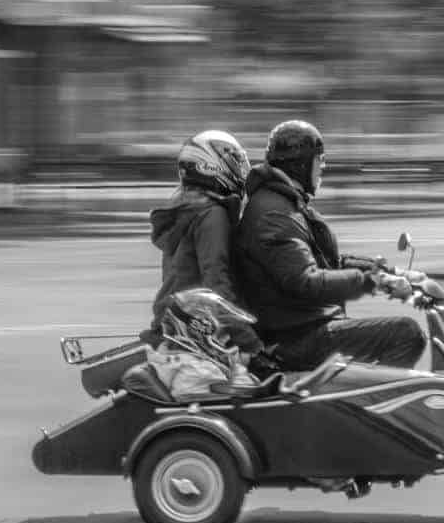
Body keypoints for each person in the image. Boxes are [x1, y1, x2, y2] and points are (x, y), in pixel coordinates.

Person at [233, 119, 426, 371]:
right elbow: (306, 281)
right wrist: (371, 282)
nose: (322, 167)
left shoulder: (284, 204)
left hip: (303, 326)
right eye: (319, 159)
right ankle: (364, 408)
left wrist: (389, 273)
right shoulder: (274, 214)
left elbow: (328, 262)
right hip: (295, 338)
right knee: (406, 333)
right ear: (301, 164)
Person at [143, 130, 263, 375]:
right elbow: (217, 284)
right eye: (236, 162)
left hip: (174, 325)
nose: (242, 171)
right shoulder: (212, 216)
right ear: (211, 166)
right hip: (196, 331)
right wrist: (250, 343)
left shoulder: (185, 209)